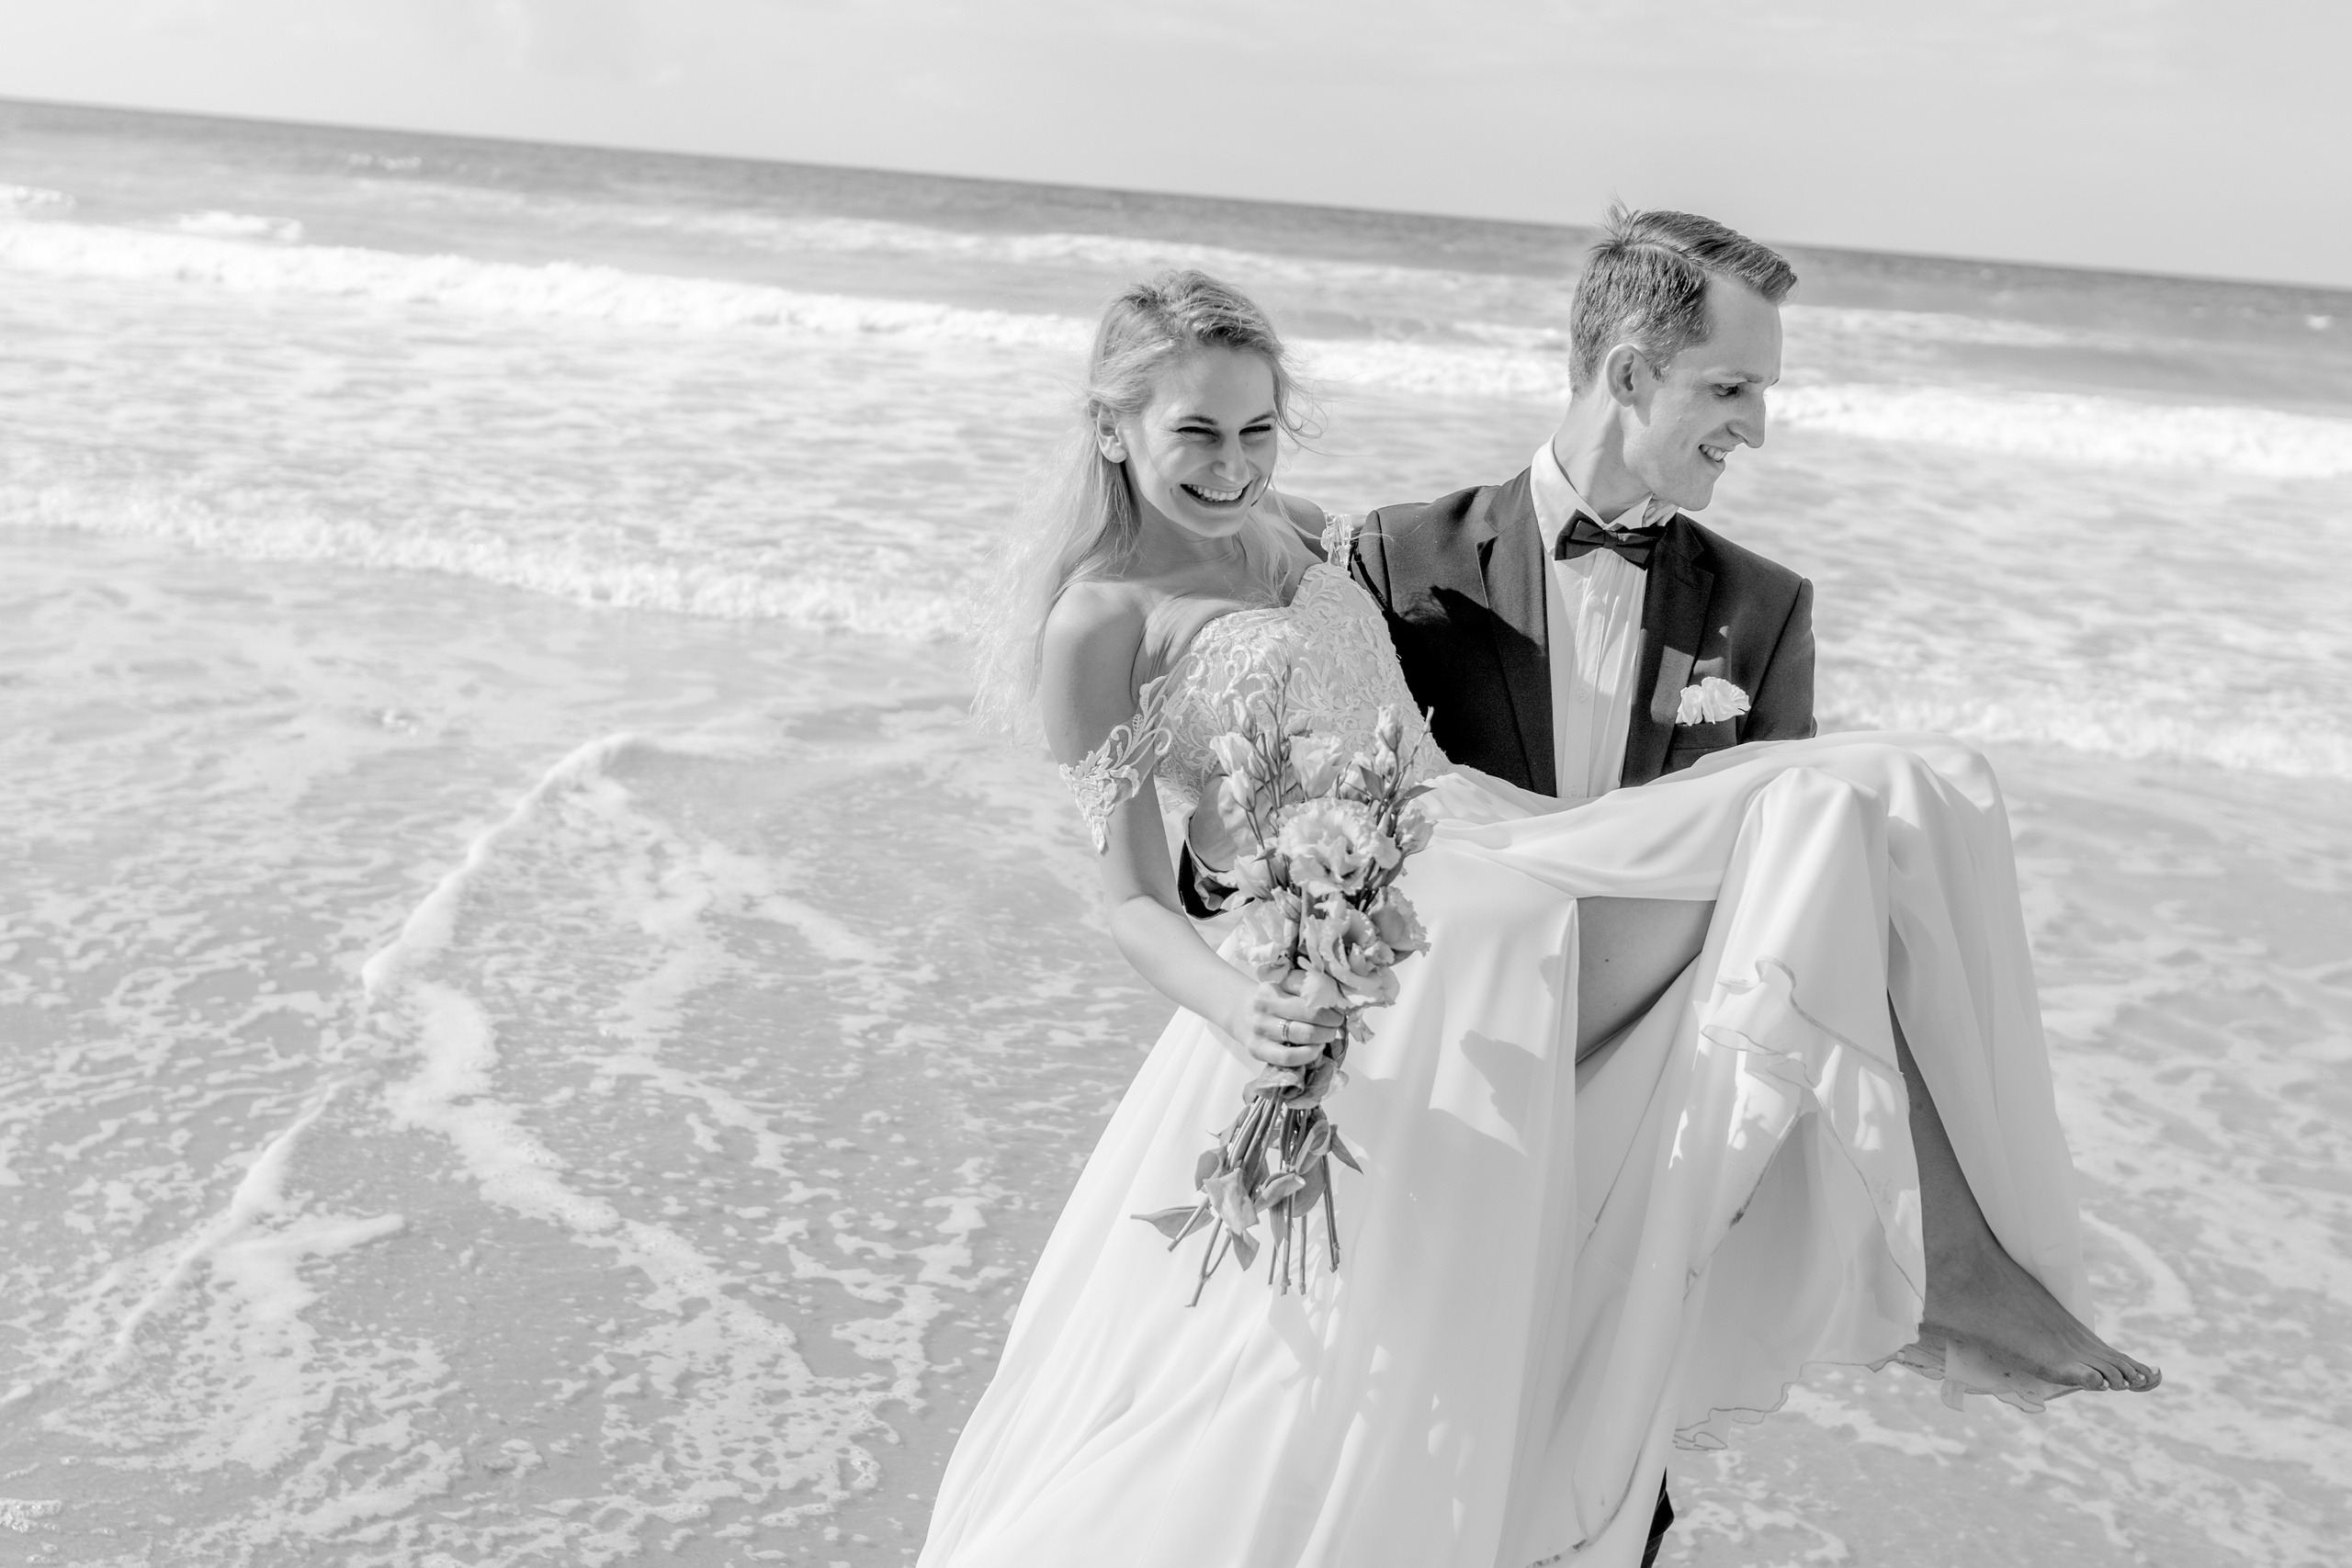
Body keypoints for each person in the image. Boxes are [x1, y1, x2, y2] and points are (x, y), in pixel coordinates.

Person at [928, 267, 2156, 1568]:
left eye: (1255, 429)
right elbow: (1132, 894)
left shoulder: (1300, 531)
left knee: (1900, 789)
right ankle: (1941, 1267)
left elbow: (1419, 697)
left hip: (1486, 837)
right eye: (1195, 433)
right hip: (1378, 944)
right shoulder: (1097, 621)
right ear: (1112, 426)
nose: (1232, 467)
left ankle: (1947, 1250)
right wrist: (1254, 996)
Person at [1340, 205, 1805, 1565]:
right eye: (1733, 387)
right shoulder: (1398, 560)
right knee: (1409, 1439)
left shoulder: (1766, 608)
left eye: (1763, 393)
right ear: (1627, 371)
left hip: (1645, 1120)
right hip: (1448, 1099)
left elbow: (1786, 887)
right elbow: (1327, 837)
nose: (1756, 428)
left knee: (1609, 1472)